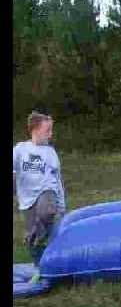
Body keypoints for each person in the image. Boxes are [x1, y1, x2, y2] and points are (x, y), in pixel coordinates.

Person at [13, 111, 66, 282]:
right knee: (34, 238)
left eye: (51, 130)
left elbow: (58, 179)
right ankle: (40, 267)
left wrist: (61, 204)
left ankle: (37, 234)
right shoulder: (20, 149)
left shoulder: (50, 152)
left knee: (47, 212)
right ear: (35, 130)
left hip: (47, 191)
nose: (51, 135)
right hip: (27, 199)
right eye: (47, 131)